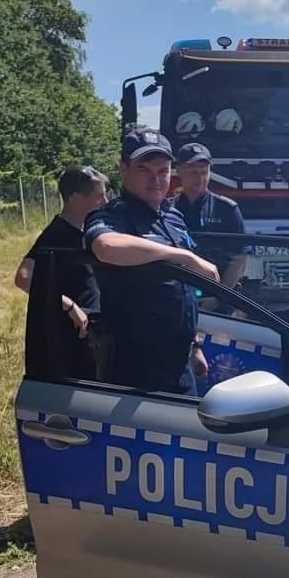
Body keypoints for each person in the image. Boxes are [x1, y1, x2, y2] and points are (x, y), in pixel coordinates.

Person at [84, 127, 219, 397]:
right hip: (136, 367)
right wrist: (183, 256)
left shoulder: (173, 217)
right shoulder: (114, 216)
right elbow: (106, 247)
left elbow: (182, 290)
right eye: (144, 170)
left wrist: (195, 345)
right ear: (123, 169)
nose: (155, 180)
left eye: (162, 171)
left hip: (179, 362)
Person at [14, 165, 108, 380]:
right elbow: (23, 277)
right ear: (75, 198)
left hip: (95, 332)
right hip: (72, 335)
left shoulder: (89, 233)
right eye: (99, 196)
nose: (105, 202)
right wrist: (68, 305)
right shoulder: (56, 235)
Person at [172, 142, 248, 289]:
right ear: (179, 170)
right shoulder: (167, 210)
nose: (200, 178)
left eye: (204, 172)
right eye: (194, 172)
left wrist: (220, 295)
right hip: (179, 292)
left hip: (217, 293)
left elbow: (240, 258)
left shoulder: (227, 210)